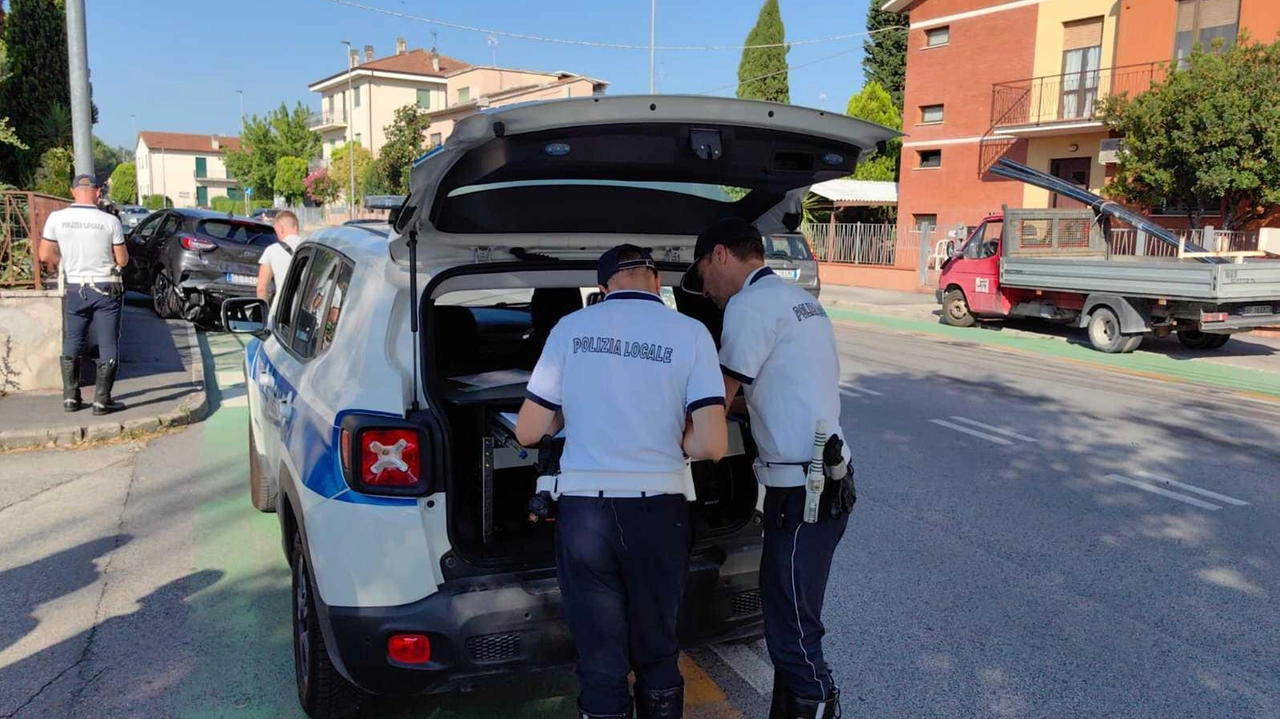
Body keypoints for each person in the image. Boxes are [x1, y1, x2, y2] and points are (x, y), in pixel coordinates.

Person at [515, 244, 728, 719]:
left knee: (601, 659)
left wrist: (568, 415)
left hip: (585, 515)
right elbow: (712, 445)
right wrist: (674, 439)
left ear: (603, 288)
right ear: (656, 281)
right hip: (659, 513)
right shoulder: (691, 333)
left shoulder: (570, 329)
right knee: (656, 651)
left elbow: (529, 431)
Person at [683, 218, 856, 719]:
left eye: (702, 276)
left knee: (794, 635)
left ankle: (816, 706)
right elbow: (778, 388)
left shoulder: (747, 305)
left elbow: (718, 399)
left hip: (802, 489)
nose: (707, 292)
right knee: (792, 622)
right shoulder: (795, 298)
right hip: (826, 477)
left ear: (719, 255)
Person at [39, 174, 129, 415]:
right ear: (98, 192)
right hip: (106, 287)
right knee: (107, 342)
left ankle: (70, 398)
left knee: (73, 340)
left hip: (76, 287)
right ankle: (102, 400)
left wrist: (64, 263)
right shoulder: (110, 221)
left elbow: (45, 254)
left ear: (72, 191)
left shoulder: (57, 218)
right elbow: (122, 259)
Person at [256, 210, 301, 305]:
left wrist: (267, 312)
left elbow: (261, 289)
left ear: (280, 228)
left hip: (282, 312)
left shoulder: (272, 250)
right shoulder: (311, 247)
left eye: (276, 231)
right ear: (296, 225)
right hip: (306, 314)